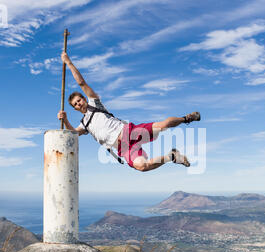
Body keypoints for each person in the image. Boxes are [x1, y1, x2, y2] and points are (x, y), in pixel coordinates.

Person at [57, 52, 201, 172]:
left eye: (79, 100)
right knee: (142, 166)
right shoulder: (84, 123)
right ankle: (172, 156)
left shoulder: (95, 103)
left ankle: (186, 118)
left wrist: (68, 62)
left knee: (164, 125)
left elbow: (82, 83)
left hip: (128, 131)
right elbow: (73, 134)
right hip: (122, 147)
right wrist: (65, 120)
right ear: (75, 108)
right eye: (75, 104)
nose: (78, 104)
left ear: (84, 99)